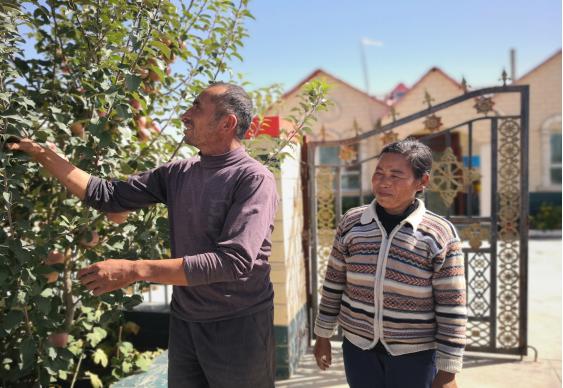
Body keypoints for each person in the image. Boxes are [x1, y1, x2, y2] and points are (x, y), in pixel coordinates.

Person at [7, 82, 279, 388]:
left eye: (197, 108)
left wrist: (135, 270)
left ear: (227, 123)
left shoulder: (253, 179)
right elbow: (106, 195)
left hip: (238, 326)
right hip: (186, 321)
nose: (184, 114)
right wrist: (43, 154)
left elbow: (232, 262)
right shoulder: (178, 173)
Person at [313, 139, 467, 388]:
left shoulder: (439, 234)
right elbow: (333, 283)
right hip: (358, 349)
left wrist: (449, 370)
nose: (384, 182)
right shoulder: (352, 223)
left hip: (415, 356)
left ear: (422, 182)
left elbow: (452, 307)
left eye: (396, 175)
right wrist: (323, 334)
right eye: (379, 173)